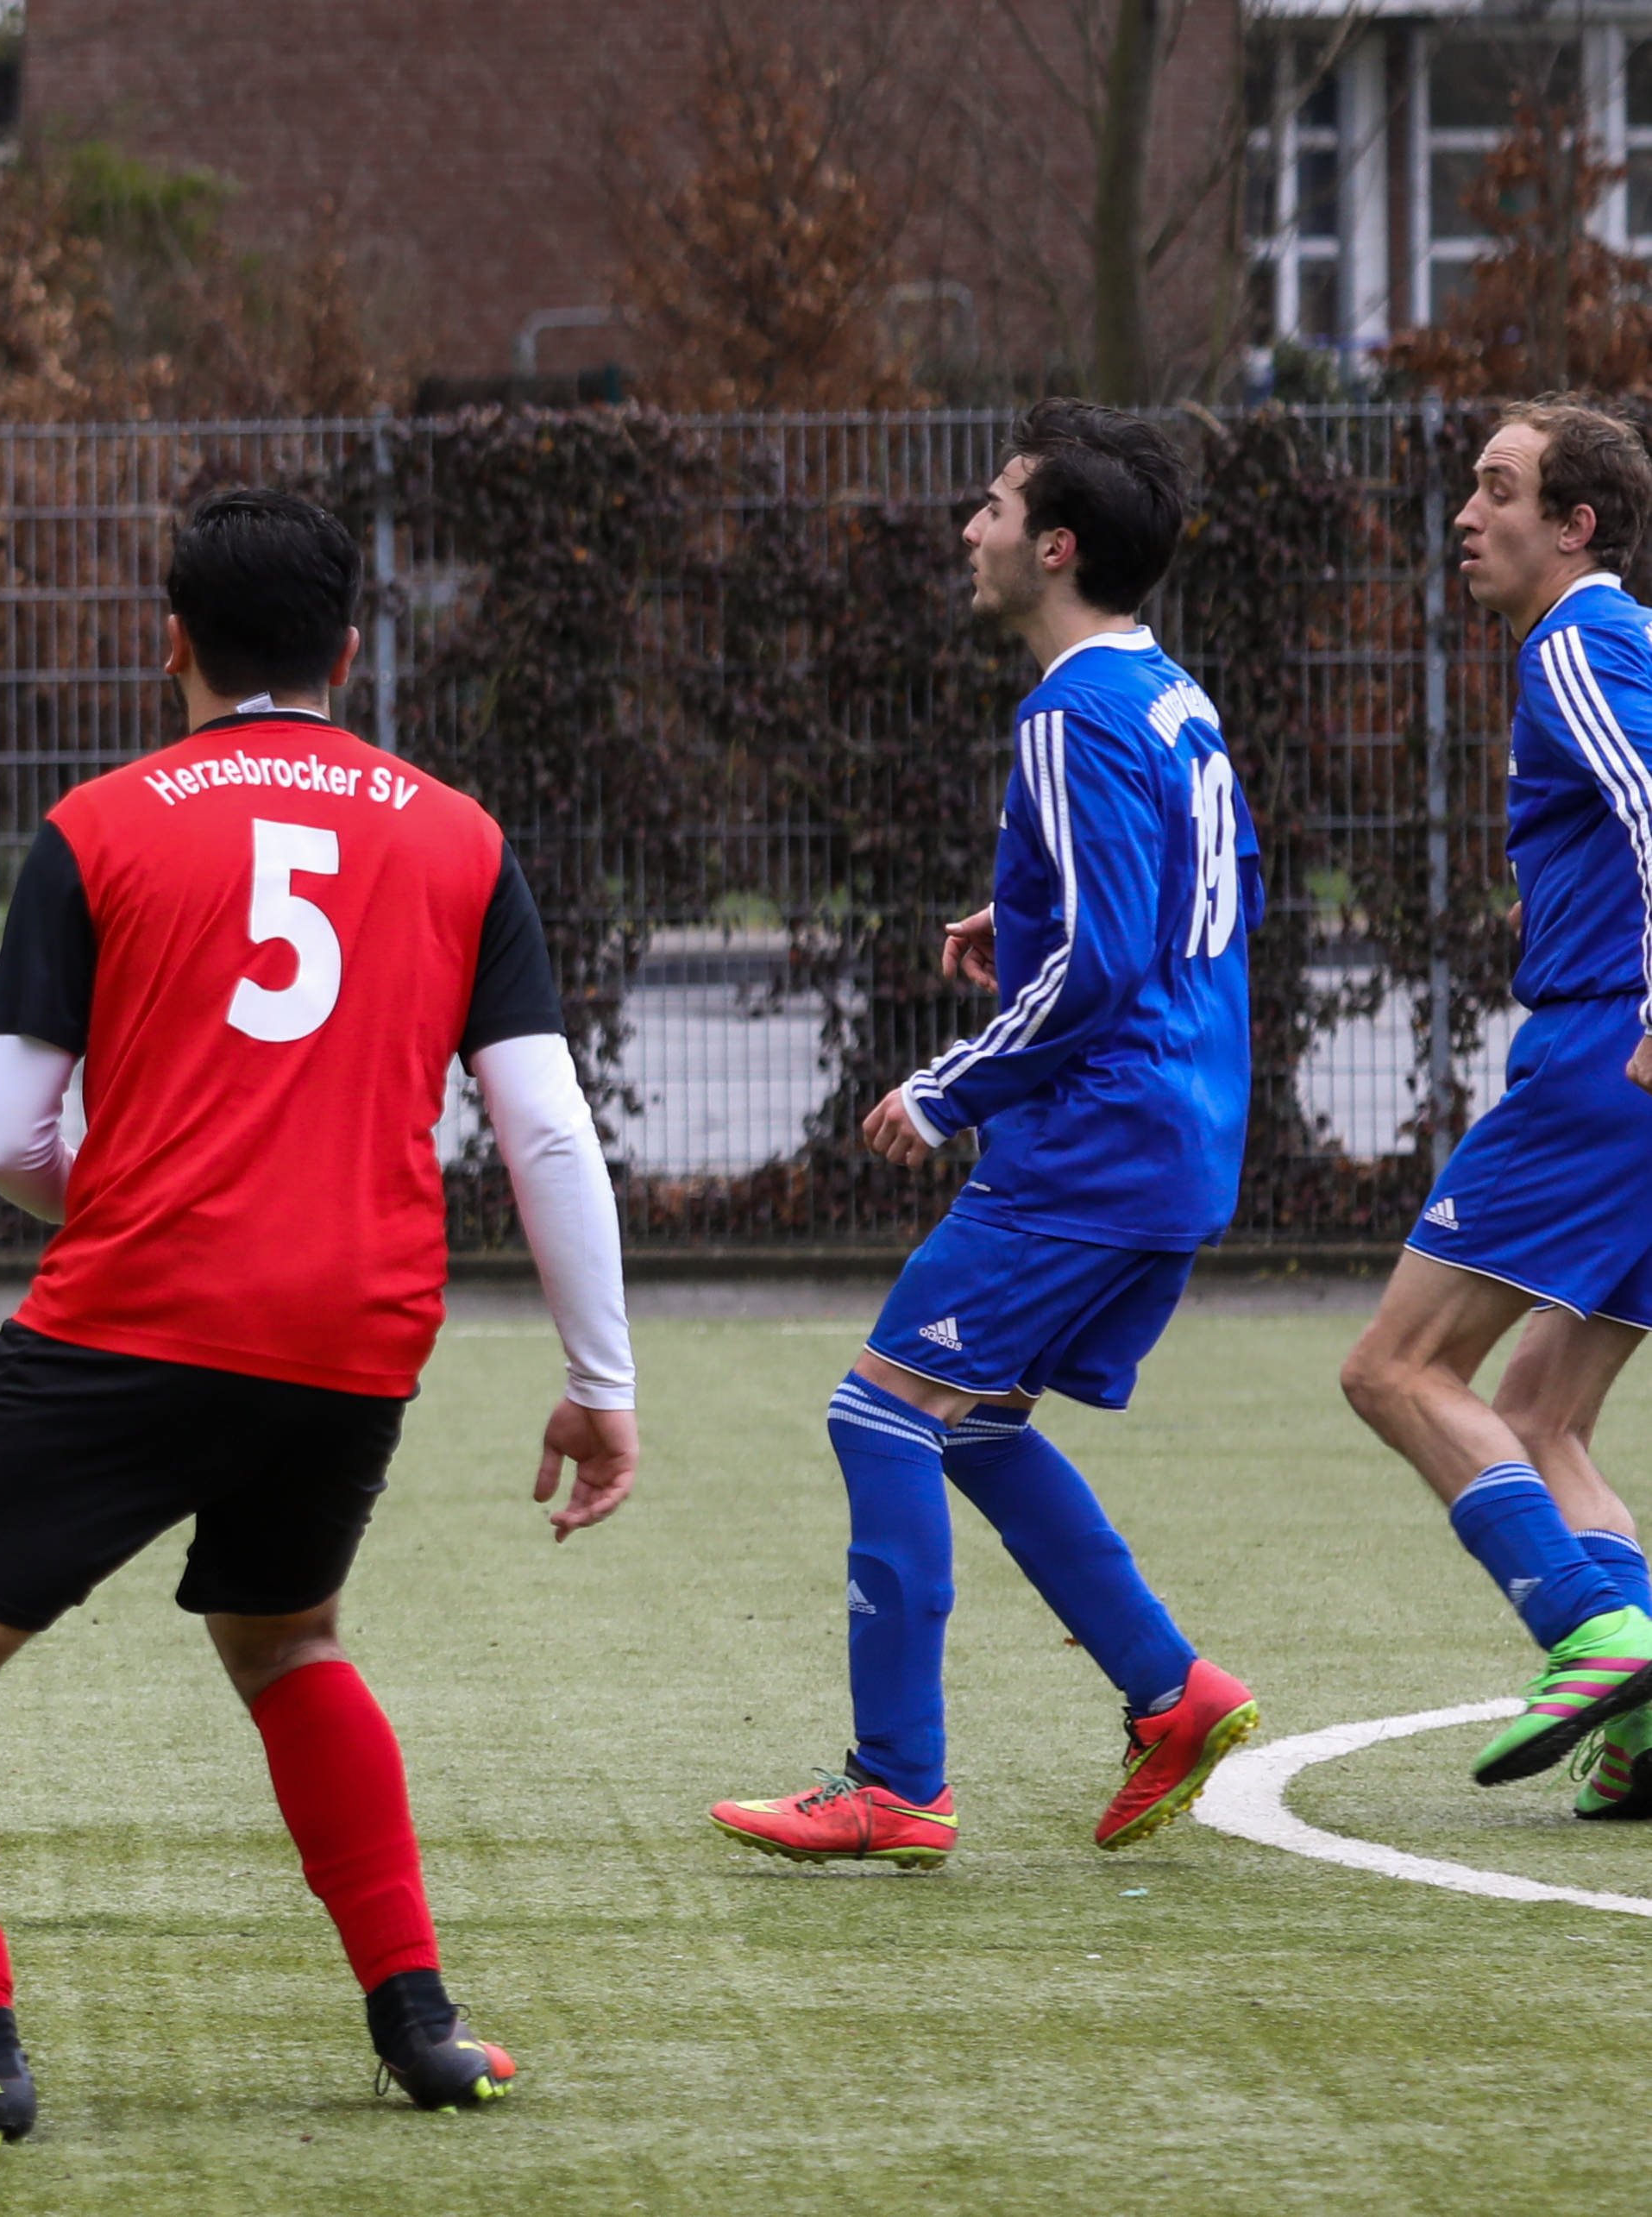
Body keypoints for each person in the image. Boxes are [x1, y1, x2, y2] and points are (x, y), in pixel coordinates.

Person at [0, 488, 640, 2144]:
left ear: (169, 641)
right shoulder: (458, 835)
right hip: (356, 1334)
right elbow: (544, 1130)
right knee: (287, 1639)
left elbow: (2, 1137)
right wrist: (601, 1378)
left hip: (140, 1311)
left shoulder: (97, 826)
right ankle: (423, 2026)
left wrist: (130, 1203)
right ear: (348, 653)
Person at [705, 401, 1265, 1869]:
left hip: (1097, 1137)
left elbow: (1099, 965)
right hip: (1183, 1126)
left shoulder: (1066, 713)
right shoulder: (1167, 694)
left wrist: (947, 1085)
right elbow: (1196, 903)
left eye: (996, 506)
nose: (971, 528)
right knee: (977, 1419)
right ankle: (1172, 1691)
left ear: (1055, 546)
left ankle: (893, 1781)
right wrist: (1023, 914)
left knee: (879, 1411)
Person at [1336, 397, 1652, 1806]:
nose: (1465, 515)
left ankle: (1587, 1628)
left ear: (1573, 526)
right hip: (1620, 1066)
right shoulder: (1614, 641)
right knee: (1538, 1414)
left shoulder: (1575, 639)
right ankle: (1645, 1729)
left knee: (1393, 1369)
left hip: (1604, 1063)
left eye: (1498, 489)